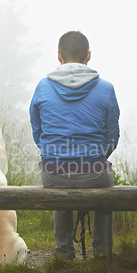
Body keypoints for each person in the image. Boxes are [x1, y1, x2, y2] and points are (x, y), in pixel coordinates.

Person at [29, 31, 120, 260]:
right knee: (103, 187)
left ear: (59, 57)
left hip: (54, 173)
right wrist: (95, 157)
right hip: (95, 174)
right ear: (88, 56)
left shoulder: (42, 87)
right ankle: (102, 254)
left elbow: (38, 132)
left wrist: (55, 154)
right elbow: (112, 137)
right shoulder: (106, 89)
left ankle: (63, 254)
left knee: (58, 178)